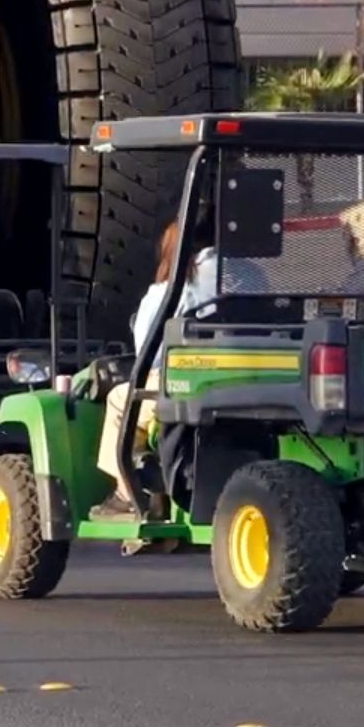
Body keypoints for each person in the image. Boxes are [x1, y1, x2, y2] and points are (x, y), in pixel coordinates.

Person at [93, 218, 216, 514]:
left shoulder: (175, 287)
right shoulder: (253, 276)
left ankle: (130, 493)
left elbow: (149, 348)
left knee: (120, 399)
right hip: (252, 379)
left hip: (187, 382)